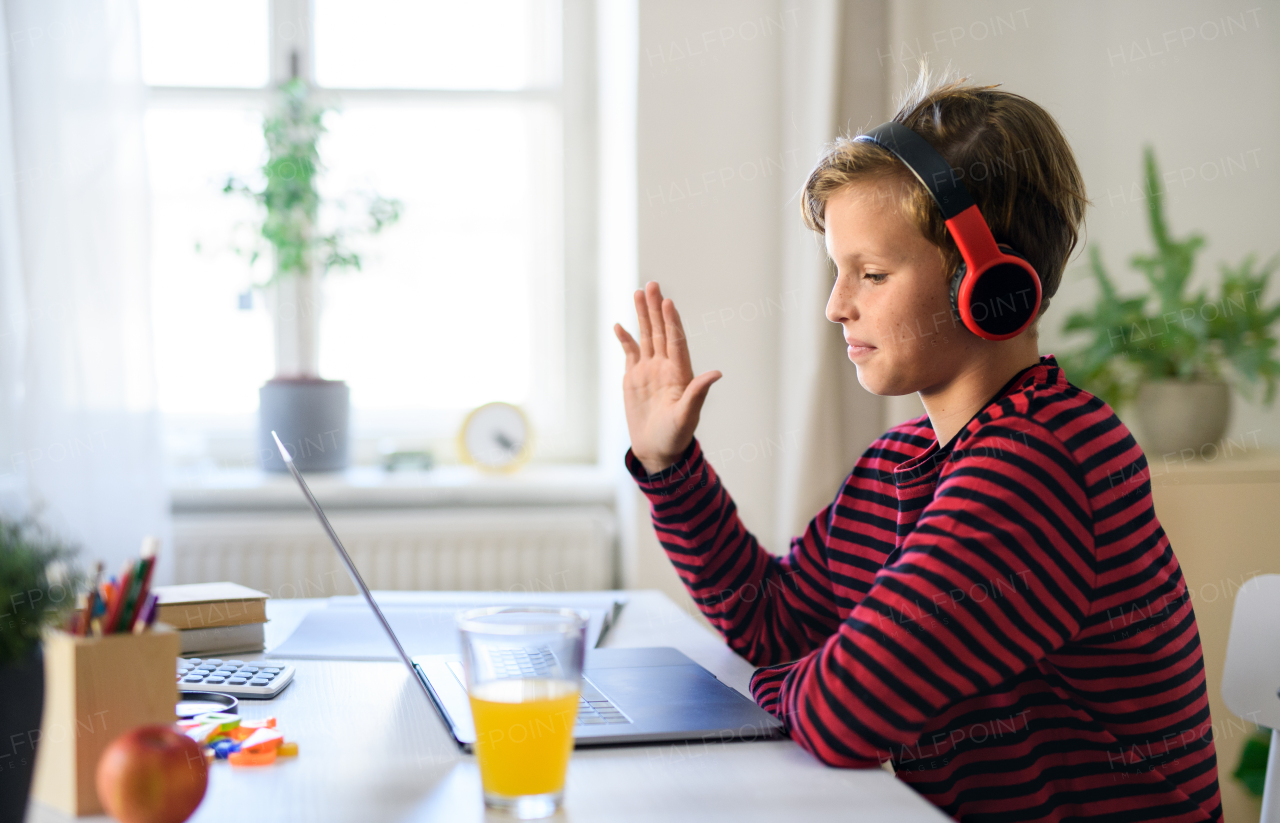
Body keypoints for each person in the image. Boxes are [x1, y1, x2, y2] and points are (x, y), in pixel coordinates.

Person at [613, 71, 1222, 822]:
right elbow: (775, 622)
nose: (837, 306)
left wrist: (784, 685)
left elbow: (845, 711)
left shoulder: (1039, 465)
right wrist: (670, 467)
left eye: (870, 273)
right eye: (839, 273)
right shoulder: (903, 462)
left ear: (988, 282)